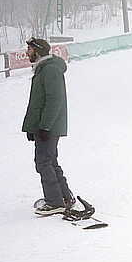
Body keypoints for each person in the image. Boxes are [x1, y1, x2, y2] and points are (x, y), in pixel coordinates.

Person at [21, 38, 75, 216]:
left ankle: (55, 202)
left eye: (29, 49)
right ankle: (64, 197)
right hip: (45, 125)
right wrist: (32, 127)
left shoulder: (50, 70)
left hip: (49, 126)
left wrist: (44, 127)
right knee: (50, 161)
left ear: (37, 51)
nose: (27, 52)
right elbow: (38, 103)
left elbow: (54, 100)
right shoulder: (43, 69)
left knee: (43, 162)